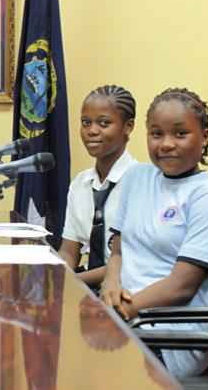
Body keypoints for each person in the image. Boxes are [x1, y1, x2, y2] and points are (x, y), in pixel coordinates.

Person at [101, 88, 208, 378]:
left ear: (205, 136)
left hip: (171, 338)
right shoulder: (136, 177)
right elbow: (119, 252)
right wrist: (109, 288)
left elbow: (181, 286)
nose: (166, 144)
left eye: (180, 133)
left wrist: (117, 313)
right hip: (124, 318)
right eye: (156, 134)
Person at [58, 85, 138, 288]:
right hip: (85, 284)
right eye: (86, 123)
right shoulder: (80, 183)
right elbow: (69, 250)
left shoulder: (141, 183)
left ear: (128, 127)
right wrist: (54, 276)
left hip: (125, 288)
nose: (92, 131)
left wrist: (70, 282)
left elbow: (129, 262)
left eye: (104, 123)